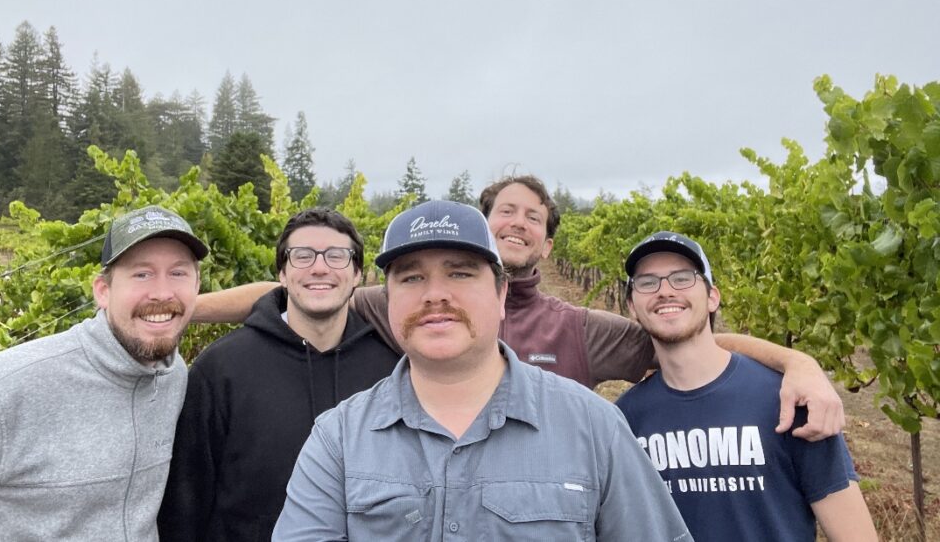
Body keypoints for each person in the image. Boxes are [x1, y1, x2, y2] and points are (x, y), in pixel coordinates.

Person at [194, 174, 844, 439]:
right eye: (506, 209)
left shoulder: (578, 327)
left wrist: (798, 362)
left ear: (550, 240)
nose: (518, 222)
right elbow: (302, 295)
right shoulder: (417, 305)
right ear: (481, 222)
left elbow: (694, 341)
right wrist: (184, 308)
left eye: (533, 216)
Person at [272, 201, 693, 541]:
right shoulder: (338, 440)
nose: (435, 295)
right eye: (412, 278)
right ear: (387, 300)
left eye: (460, 273)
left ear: (501, 293)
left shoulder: (594, 428)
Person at [0, 205, 208, 542]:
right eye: (141, 274)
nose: (162, 292)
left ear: (197, 285)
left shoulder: (172, 379)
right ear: (103, 291)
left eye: (178, 273)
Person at [615, 231, 877, 541]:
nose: (665, 291)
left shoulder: (788, 400)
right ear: (632, 305)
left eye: (683, 278)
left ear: (713, 297)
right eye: (647, 282)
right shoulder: (624, 419)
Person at [158, 208, 398, 541]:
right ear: (282, 274)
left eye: (336, 256)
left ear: (357, 274)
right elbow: (186, 504)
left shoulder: (391, 370)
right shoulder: (221, 368)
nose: (319, 267)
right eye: (302, 256)